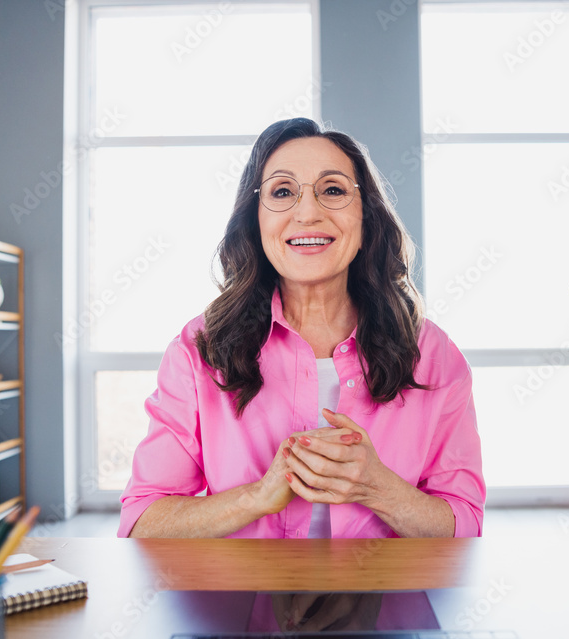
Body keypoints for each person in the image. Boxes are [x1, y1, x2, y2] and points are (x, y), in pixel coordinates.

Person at [118, 117, 484, 539]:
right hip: (242, 601)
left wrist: (378, 488)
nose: (307, 212)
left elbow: (466, 527)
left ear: (366, 218)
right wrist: (257, 497)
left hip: (388, 599)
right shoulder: (198, 351)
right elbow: (140, 525)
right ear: (255, 221)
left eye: (332, 190)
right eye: (282, 192)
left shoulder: (434, 355)